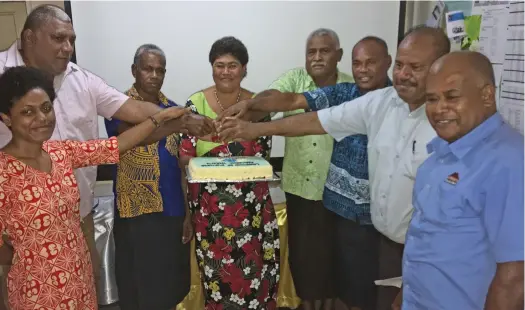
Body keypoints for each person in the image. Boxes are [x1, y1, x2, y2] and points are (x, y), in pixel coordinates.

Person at [0, 4, 212, 304]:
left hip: (77, 223)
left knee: (91, 286)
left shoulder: (65, 139)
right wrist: (25, 257)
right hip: (20, 241)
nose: (67, 47)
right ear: (29, 37)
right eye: (58, 38)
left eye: (71, 39)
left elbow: (120, 136)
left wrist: (169, 119)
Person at [216, 25, 450, 310]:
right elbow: (313, 119)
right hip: (364, 226)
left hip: (425, 248)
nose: (404, 74)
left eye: (415, 67)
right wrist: (253, 127)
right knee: (349, 290)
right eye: (401, 65)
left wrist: (253, 128)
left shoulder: (450, 123)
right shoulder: (376, 103)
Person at [0, 66, 188, 310]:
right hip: (37, 290)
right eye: (27, 112)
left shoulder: (60, 153)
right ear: (7, 117)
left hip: (79, 279)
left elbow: (115, 146)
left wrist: (157, 118)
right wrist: (27, 259)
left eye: (45, 108)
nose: (42, 118)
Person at [396, 51, 524, 310]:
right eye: (432, 99)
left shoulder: (509, 163)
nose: (439, 108)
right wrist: (405, 294)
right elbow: (426, 237)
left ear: (487, 95)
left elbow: (515, 278)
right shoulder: (439, 155)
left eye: (452, 97)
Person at [179, 36, 280, 309]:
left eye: (232, 65)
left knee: (256, 281)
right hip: (210, 218)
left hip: (253, 217)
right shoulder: (194, 104)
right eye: (219, 65)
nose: (225, 71)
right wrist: (188, 214)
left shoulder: (257, 106)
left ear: (244, 69)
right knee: (218, 285)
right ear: (211, 67)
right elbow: (184, 160)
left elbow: (263, 160)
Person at [262, 28, 353, 310]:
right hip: (299, 187)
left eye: (324, 51)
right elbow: (273, 96)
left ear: (338, 55)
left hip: (338, 190)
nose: (316, 57)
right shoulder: (294, 80)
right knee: (302, 258)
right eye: (311, 52)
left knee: (334, 257)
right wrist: (254, 106)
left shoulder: (352, 89)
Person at [104, 44, 191, 310]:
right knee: (138, 287)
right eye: (148, 69)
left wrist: (188, 214)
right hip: (137, 212)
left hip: (172, 211)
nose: (154, 75)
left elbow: (181, 167)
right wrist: (174, 123)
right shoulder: (116, 107)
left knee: (172, 285)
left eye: (160, 70)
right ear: (134, 71)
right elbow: (132, 138)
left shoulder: (174, 108)